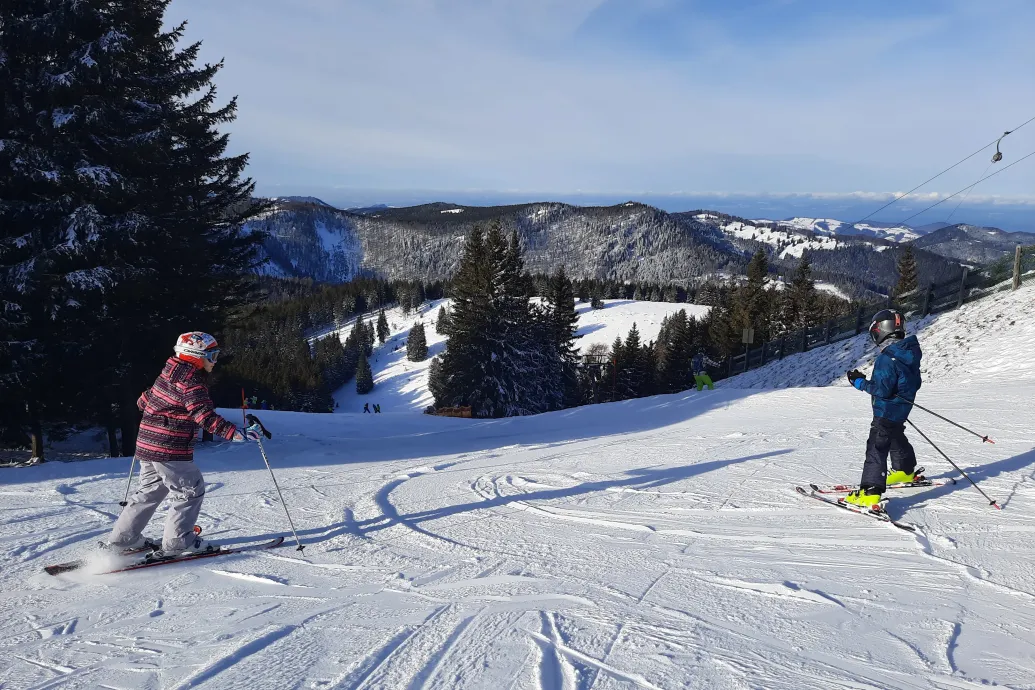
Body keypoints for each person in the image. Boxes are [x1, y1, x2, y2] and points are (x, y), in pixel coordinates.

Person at [106, 332, 258, 557]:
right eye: (212, 356)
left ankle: (123, 540)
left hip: (148, 445)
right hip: (169, 447)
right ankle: (178, 543)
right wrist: (235, 433)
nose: (214, 362)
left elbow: (144, 400)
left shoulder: (168, 373)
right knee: (190, 490)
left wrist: (150, 402)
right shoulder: (192, 382)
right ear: (196, 356)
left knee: (150, 491)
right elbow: (203, 415)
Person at [844, 309, 922, 508]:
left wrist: (859, 382)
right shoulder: (909, 353)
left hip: (885, 410)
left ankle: (870, 491)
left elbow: (881, 390)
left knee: (877, 446)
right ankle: (904, 470)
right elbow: (914, 382)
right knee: (895, 435)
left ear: (880, 330)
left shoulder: (887, 358)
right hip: (902, 408)